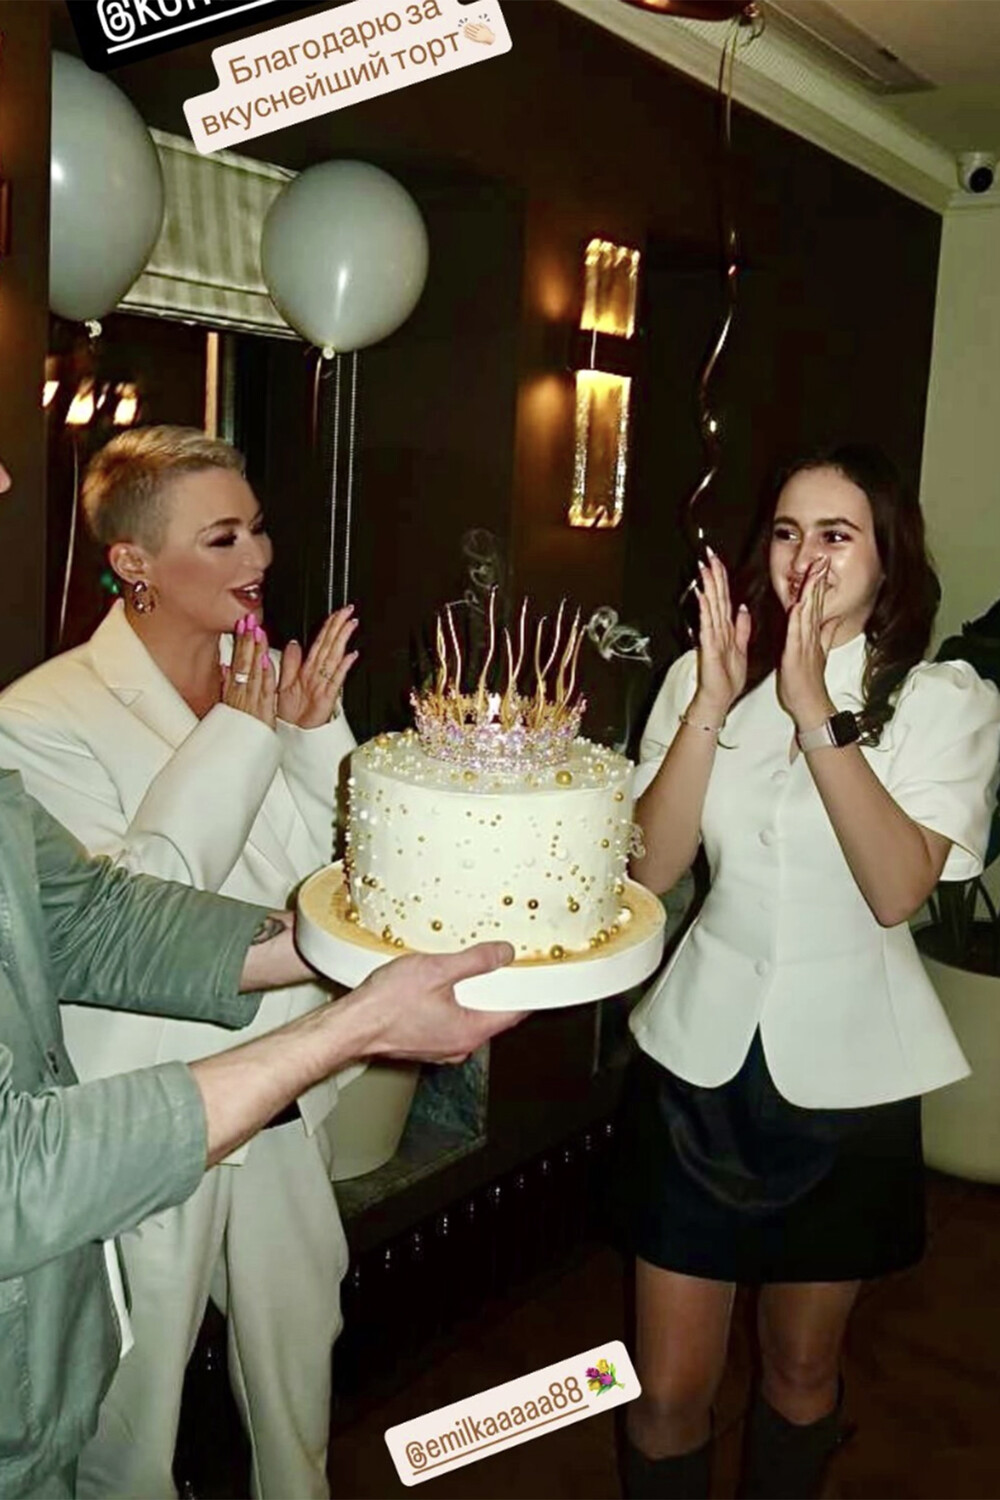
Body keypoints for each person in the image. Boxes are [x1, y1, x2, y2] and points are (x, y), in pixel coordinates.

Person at [614, 444, 1000, 1499]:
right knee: (664, 1390)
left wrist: (815, 714)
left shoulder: (939, 700)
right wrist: (711, 704)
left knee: (796, 1372)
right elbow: (649, 869)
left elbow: (896, 888)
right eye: (787, 532)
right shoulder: (705, 674)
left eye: (837, 534)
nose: (805, 558)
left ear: (888, 557)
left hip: (847, 1088)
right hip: (695, 1072)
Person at [0, 426, 361, 1499]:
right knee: (135, 1417)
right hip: (145, 1109)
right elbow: (130, 914)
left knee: (301, 1380)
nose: (258, 556)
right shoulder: (39, 716)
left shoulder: (269, 686)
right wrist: (246, 736)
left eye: (257, 529)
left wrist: (313, 732)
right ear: (134, 562)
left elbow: (343, 878)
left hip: (281, 1085)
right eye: (222, 536)